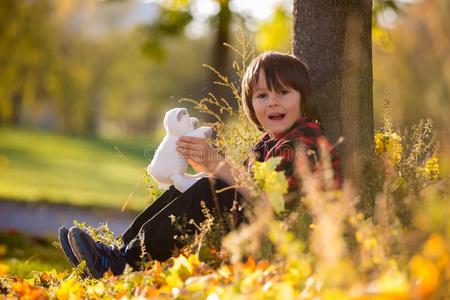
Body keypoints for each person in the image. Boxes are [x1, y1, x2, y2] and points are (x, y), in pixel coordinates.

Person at [58, 51, 341, 279]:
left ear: (303, 98)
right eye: (262, 95)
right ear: (251, 105)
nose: (273, 103)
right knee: (192, 186)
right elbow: (239, 187)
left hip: (293, 236)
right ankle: (117, 253)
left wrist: (217, 167)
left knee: (212, 185)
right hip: (259, 224)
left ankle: (121, 263)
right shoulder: (266, 144)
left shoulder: (304, 140)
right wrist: (204, 168)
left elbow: (270, 200)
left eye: (283, 92)